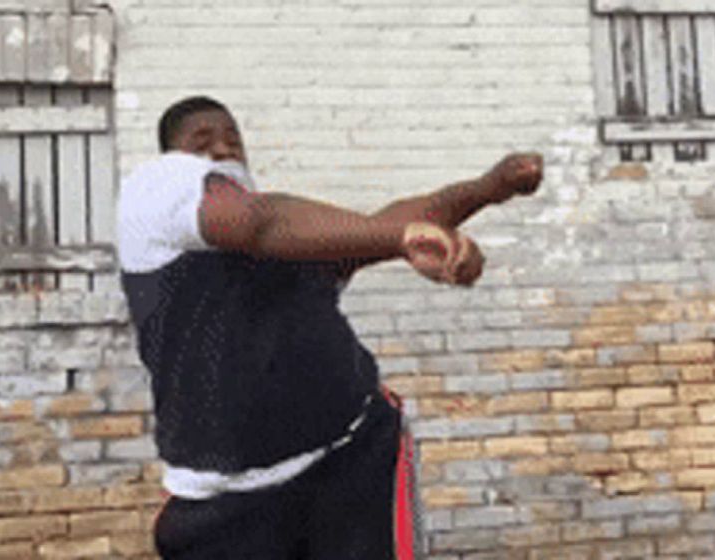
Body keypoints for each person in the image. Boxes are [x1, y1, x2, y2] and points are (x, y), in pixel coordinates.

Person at [117, 96, 542, 559]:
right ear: (174, 158)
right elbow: (257, 222)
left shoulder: (290, 238)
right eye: (203, 142)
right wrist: (400, 239)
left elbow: (380, 224)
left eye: (233, 141)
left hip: (352, 461)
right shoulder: (153, 193)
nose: (223, 150)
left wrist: (489, 188)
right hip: (226, 503)